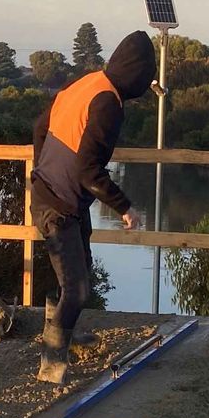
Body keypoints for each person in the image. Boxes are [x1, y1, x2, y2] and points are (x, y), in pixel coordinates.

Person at [29, 30, 155, 383]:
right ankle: (52, 361)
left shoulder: (86, 83)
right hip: (60, 203)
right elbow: (89, 171)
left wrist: (44, 170)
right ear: (139, 75)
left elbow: (40, 127)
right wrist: (124, 206)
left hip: (54, 193)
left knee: (79, 268)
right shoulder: (108, 102)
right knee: (78, 288)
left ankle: (62, 331)